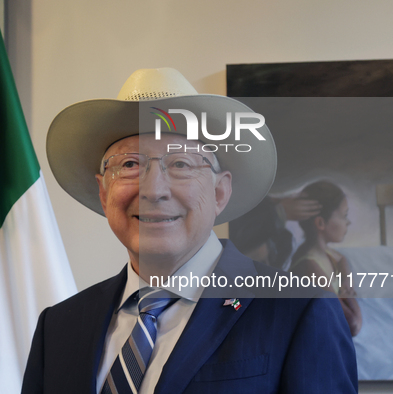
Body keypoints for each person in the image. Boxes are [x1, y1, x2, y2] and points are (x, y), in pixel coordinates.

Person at [21, 68, 357, 393]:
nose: (154, 190)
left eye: (181, 164)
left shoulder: (299, 309)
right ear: (103, 192)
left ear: (219, 192)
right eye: (130, 165)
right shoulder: (59, 327)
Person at [290, 181, 363, 336]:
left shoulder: (324, 253)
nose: (348, 222)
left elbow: (341, 259)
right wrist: (347, 294)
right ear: (321, 223)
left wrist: (345, 279)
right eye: (344, 216)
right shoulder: (309, 266)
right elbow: (352, 324)